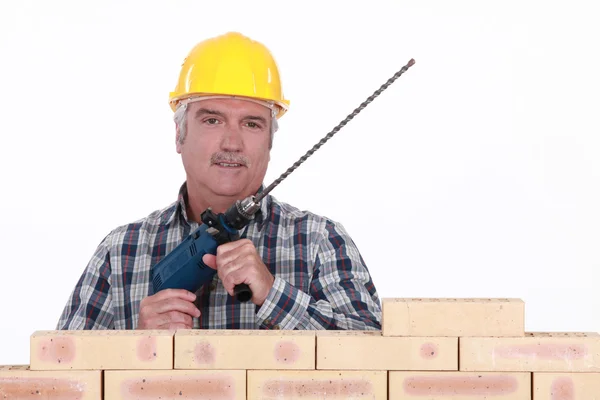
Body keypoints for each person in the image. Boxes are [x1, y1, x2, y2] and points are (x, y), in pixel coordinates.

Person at [56, 32, 382, 331]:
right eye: (212, 120)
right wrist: (133, 349)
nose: (231, 143)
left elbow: (379, 362)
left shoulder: (318, 242)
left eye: (252, 124)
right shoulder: (122, 251)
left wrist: (274, 295)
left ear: (270, 141)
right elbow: (60, 379)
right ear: (179, 135)